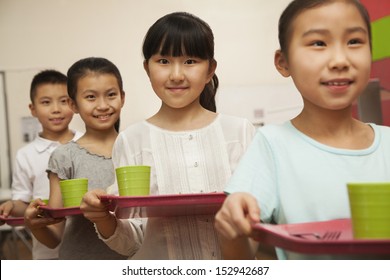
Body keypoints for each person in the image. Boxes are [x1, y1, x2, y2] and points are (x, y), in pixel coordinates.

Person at [214, 0, 390, 260]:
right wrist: (233, 227)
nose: (340, 60)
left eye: (354, 41)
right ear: (283, 62)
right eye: (318, 43)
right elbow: (241, 260)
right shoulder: (272, 145)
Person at [80, 12, 255, 259]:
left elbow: (259, 220)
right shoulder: (132, 140)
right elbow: (132, 242)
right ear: (147, 68)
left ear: (209, 70)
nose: (176, 75)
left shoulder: (240, 132)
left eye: (190, 61)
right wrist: (102, 218)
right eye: (163, 61)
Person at [24, 57, 127, 260]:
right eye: (91, 97)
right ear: (73, 104)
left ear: (122, 97)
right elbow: (54, 236)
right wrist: (35, 226)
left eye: (111, 95)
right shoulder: (64, 157)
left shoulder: (138, 147)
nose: (103, 105)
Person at [0, 69, 82, 260]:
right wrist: (11, 205)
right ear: (33, 109)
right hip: (48, 253)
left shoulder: (87, 144)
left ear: (73, 104)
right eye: (46, 102)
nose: (56, 109)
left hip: (87, 246)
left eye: (63, 101)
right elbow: (24, 203)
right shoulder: (25, 155)